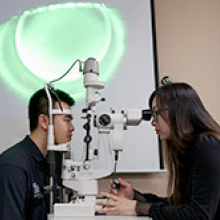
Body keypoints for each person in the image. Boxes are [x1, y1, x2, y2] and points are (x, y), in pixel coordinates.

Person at [96, 82, 220, 219]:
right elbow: (178, 205)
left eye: (157, 113)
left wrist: (137, 208)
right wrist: (135, 197)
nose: (153, 122)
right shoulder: (187, 149)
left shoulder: (206, 146)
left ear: (178, 111)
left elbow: (198, 215)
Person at [0, 88, 75, 220]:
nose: (72, 127)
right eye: (66, 120)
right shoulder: (13, 166)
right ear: (44, 122)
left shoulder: (55, 161)